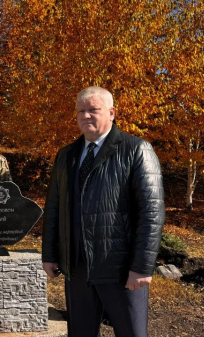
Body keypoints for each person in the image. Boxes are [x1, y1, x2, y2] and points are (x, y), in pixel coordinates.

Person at [42, 86, 165, 337]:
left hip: (119, 269)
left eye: (93, 110)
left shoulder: (136, 150)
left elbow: (151, 213)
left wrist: (142, 266)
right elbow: (54, 207)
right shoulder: (66, 156)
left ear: (111, 112)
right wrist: (50, 253)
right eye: (81, 111)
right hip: (77, 269)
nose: (86, 116)